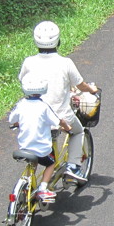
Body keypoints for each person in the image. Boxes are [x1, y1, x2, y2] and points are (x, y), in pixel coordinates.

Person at [18, 20, 99, 183]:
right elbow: (80, 85)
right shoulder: (65, 63)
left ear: (36, 41)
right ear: (58, 41)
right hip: (61, 116)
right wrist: (92, 90)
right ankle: (73, 166)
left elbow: (23, 80)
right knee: (78, 131)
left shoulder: (29, 62)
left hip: (35, 115)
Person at [9, 73, 71, 202]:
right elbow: (57, 121)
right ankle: (43, 189)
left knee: (33, 161)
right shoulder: (43, 106)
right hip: (41, 149)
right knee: (51, 163)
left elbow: (12, 119)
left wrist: (18, 123)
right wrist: (66, 127)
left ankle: (28, 185)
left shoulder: (21, 104)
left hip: (24, 148)